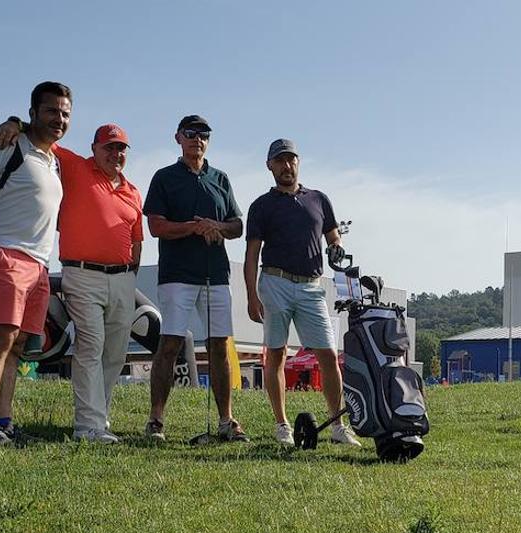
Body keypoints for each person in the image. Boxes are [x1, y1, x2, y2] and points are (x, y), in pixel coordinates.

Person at [0, 119, 144, 444]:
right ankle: (87, 427)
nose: (115, 154)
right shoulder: (76, 167)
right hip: (82, 273)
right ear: (95, 149)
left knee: (115, 353)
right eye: (109, 147)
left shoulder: (132, 192)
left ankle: (98, 419)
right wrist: (16, 122)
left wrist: (131, 272)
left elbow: (137, 240)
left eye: (121, 149)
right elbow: (46, 133)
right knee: (91, 345)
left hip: (121, 279)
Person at [0, 81, 70, 445]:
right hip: (2, 252)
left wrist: (18, 122)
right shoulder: (8, 144)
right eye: (52, 111)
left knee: (20, 345)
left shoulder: (54, 160)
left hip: (39, 263)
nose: (60, 119)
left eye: (66, 113)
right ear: (33, 112)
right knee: (1, 337)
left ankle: (4, 422)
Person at [244, 139, 361, 448]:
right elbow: (252, 254)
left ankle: (338, 426)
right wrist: (251, 296)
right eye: (280, 161)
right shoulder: (261, 206)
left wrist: (337, 247)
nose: (287, 165)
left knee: (327, 355)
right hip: (275, 283)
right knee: (277, 353)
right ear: (270, 166)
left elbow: (333, 237)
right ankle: (282, 425)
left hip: (311, 286)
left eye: (291, 159)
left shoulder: (319, 199)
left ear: (298, 162)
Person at [143, 114, 247, 442]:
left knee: (219, 345)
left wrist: (216, 227)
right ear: (178, 138)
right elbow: (156, 226)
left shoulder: (221, 178)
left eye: (203, 135)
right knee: (170, 343)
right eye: (190, 134)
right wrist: (193, 226)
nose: (197, 141)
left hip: (215, 275)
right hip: (177, 275)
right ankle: (156, 420)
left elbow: (237, 226)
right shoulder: (164, 177)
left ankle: (226, 421)